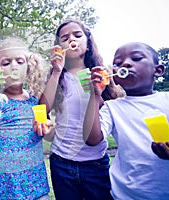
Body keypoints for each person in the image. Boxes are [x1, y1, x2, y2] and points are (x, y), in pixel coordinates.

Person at [39, 19, 124, 200]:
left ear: (88, 45)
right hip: (61, 162)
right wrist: (55, 71)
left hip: (95, 164)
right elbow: (42, 108)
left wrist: (97, 92)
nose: (72, 40)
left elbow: (110, 108)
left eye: (77, 35)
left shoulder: (100, 74)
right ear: (59, 47)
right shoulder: (58, 77)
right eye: (64, 38)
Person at [83, 42, 169, 199]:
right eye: (117, 63)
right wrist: (95, 95)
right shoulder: (112, 107)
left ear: (158, 70)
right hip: (125, 194)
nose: (126, 64)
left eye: (136, 58)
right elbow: (92, 139)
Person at [0, 37, 52, 199]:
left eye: (20, 61)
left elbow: (44, 130)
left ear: (29, 67)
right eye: (6, 63)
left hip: (33, 186)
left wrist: (45, 126)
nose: (14, 67)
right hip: (1, 186)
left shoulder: (36, 102)